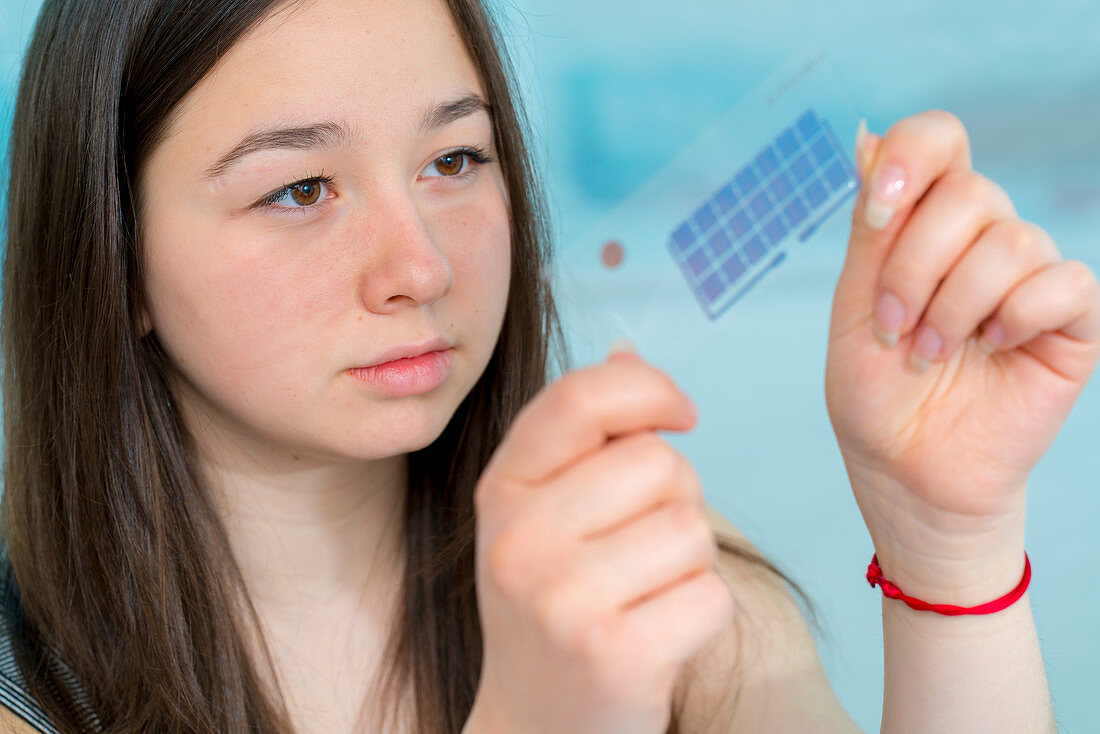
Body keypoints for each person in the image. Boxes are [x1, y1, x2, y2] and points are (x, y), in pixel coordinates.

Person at [1, 0, 1096, 731]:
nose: (421, 266)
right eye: (300, 189)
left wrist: (944, 545)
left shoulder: (663, 586)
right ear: (113, 251)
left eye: (453, 159)